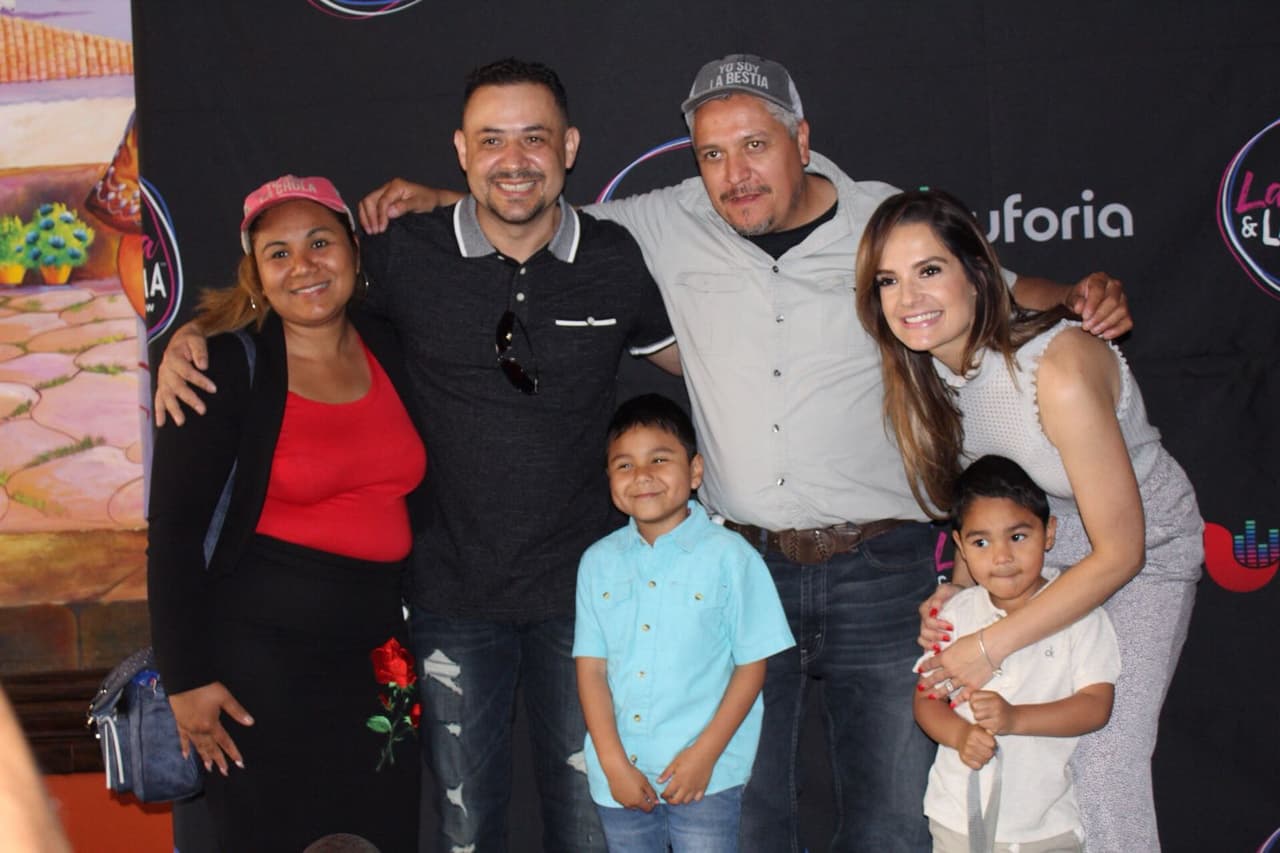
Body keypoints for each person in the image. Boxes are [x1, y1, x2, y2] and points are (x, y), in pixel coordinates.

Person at [358, 54, 1133, 852]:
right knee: (746, 820)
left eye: (755, 145)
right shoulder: (666, 220)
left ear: (802, 139)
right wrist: (447, 200)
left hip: (884, 567)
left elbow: (992, 286)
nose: (735, 173)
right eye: (712, 153)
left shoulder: (883, 220)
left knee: (893, 822)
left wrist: (1077, 296)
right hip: (743, 567)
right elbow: (534, 205)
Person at [155, 60, 677, 852]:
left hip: (558, 608)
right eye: (491, 140)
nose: (513, 159)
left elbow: (686, 359)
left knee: (579, 826)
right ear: (461, 150)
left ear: (569, 147)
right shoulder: (403, 260)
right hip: (432, 611)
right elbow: (292, 298)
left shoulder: (611, 260)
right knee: (460, 833)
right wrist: (188, 337)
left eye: (533, 138)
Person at [855, 188, 1202, 851]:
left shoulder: (1056, 369)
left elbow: (1121, 552)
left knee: (1102, 762)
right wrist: (958, 592)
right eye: (888, 281)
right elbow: (996, 501)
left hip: (1141, 551)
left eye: (929, 270)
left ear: (977, 273)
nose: (909, 297)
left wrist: (987, 644)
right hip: (1040, 548)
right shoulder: (930, 378)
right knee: (1016, 755)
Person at [147, 175, 424, 851]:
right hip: (259, 672)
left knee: (384, 835)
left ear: (353, 251)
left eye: (320, 242)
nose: (303, 265)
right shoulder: (218, 367)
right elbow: (174, 535)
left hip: (382, 663)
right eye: (279, 253)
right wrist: (185, 678)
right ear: (256, 274)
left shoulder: (395, 344)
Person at [574, 394, 794, 851]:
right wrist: (613, 764)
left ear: (694, 471)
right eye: (624, 465)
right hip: (621, 775)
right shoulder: (597, 563)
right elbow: (591, 669)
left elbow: (751, 666)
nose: (642, 475)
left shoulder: (732, 557)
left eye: (659, 459)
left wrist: (704, 755)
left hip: (705, 776)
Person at [914, 455, 1119, 853]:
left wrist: (1015, 718)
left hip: (1047, 829)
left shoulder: (1079, 614)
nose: (1002, 557)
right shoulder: (954, 614)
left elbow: (1096, 706)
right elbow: (925, 700)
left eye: (1018, 537)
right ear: (960, 547)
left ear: (1049, 532)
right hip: (957, 820)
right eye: (981, 542)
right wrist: (960, 734)